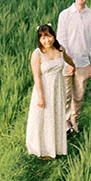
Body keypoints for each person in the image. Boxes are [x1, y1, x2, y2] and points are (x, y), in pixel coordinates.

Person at [25, 24, 73, 159]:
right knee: (43, 117)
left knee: (56, 115)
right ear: (39, 40)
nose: (47, 41)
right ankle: (42, 149)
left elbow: (68, 59)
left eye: (49, 37)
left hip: (58, 88)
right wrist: (41, 97)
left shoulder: (60, 49)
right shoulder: (37, 54)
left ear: (54, 36)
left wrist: (72, 66)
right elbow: (37, 76)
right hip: (44, 89)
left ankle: (56, 147)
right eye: (43, 38)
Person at [56, 0, 91, 134]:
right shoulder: (65, 15)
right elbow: (61, 40)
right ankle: (65, 123)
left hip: (83, 62)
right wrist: (68, 60)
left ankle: (74, 120)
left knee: (79, 95)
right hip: (66, 61)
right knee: (66, 94)